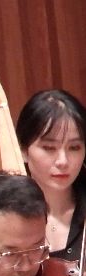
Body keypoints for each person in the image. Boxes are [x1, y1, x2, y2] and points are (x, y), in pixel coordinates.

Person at [18, 88, 86, 258]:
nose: (63, 161)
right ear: (24, 150)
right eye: (49, 148)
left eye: (74, 147)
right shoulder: (7, 215)